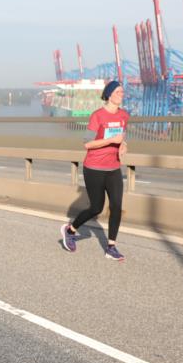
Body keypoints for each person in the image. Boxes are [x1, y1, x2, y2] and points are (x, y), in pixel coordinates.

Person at [60, 80, 128, 261]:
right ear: (109, 94)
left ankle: (111, 247)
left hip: (113, 168)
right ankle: (70, 230)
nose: (121, 95)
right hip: (94, 167)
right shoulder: (98, 116)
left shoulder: (124, 115)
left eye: (122, 92)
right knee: (96, 207)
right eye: (118, 92)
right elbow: (87, 143)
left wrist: (123, 145)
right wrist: (111, 140)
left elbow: (122, 137)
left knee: (116, 207)